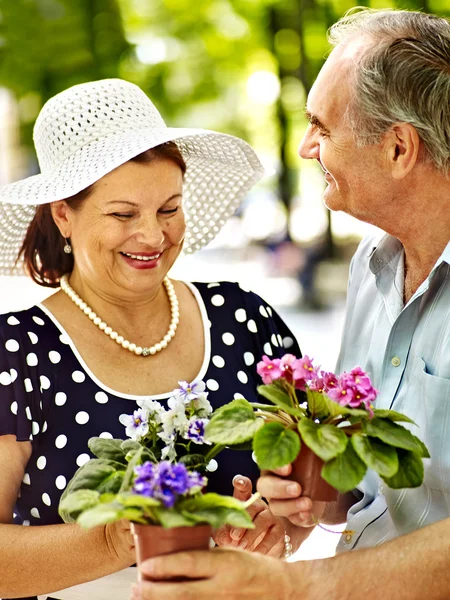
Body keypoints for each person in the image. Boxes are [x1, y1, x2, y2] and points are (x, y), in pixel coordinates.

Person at [133, 7, 450, 600]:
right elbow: (370, 496)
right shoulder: (372, 264)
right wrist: (312, 498)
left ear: (399, 148)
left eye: (322, 127)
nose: (306, 147)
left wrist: (294, 586)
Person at [0, 79, 310, 600]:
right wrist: (121, 541)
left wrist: (276, 528)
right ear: (63, 214)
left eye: (169, 208)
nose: (153, 236)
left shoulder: (245, 318)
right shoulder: (17, 353)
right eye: (123, 214)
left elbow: (313, 498)